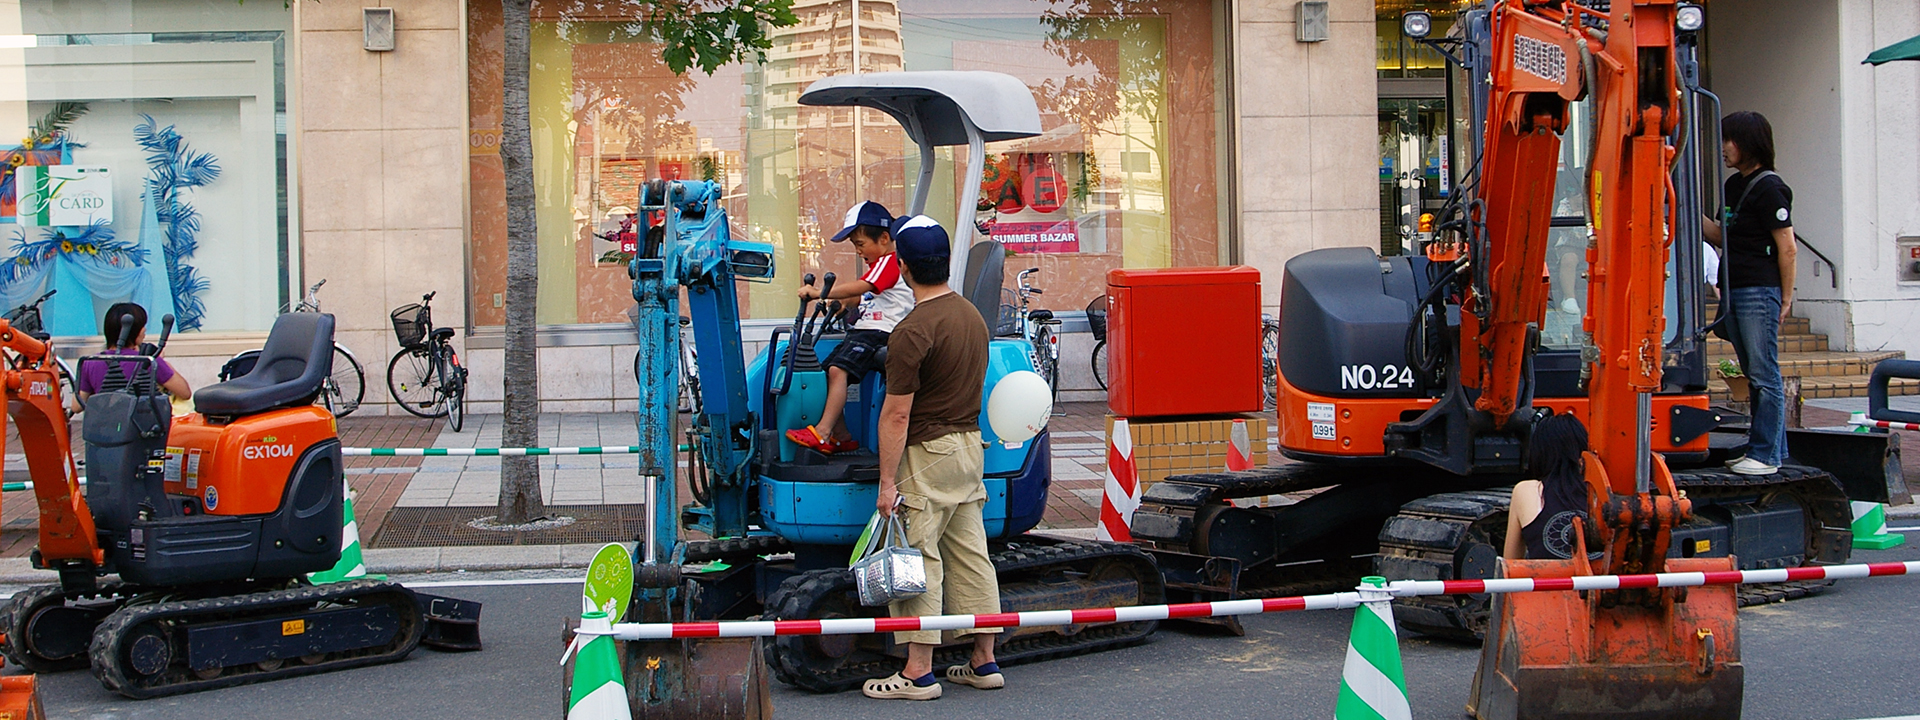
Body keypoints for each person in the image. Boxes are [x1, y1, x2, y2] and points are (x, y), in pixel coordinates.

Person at [862, 215, 1002, 701]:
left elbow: (896, 415)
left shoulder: (912, 330)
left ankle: (918, 673)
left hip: (927, 454)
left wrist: (886, 483)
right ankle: (983, 660)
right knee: (971, 555)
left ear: (902, 267)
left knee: (919, 557)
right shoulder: (971, 317)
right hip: (969, 448)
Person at [1702, 111, 1795, 476]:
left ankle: (1766, 456)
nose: (1723, 148)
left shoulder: (1770, 187)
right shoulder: (1733, 186)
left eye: (1729, 140)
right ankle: (1771, 449)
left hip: (1759, 289)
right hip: (1735, 286)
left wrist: (1785, 298)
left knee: (1762, 372)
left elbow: (1787, 246)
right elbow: (1720, 235)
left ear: (1748, 143)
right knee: (1753, 371)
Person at [787, 201, 915, 454]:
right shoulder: (879, 267)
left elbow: (861, 287)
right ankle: (841, 434)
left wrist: (818, 293)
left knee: (837, 370)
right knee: (826, 371)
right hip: (867, 329)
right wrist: (842, 306)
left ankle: (823, 432)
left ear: (884, 238)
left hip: (882, 332)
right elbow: (860, 298)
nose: (858, 251)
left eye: (860, 244)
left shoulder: (890, 262)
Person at [1504, 413, 1596, 561]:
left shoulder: (1527, 491)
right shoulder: (1599, 491)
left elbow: (1511, 563)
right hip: (1604, 583)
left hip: (1548, 583)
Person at [76, 303, 191, 403]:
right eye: (142, 326)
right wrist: (164, 363)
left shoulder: (89, 362)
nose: (145, 330)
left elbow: (77, 406)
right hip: (142, 426)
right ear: (134, 331)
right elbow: (185, 393)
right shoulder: (148, 361)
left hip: (106, 425)